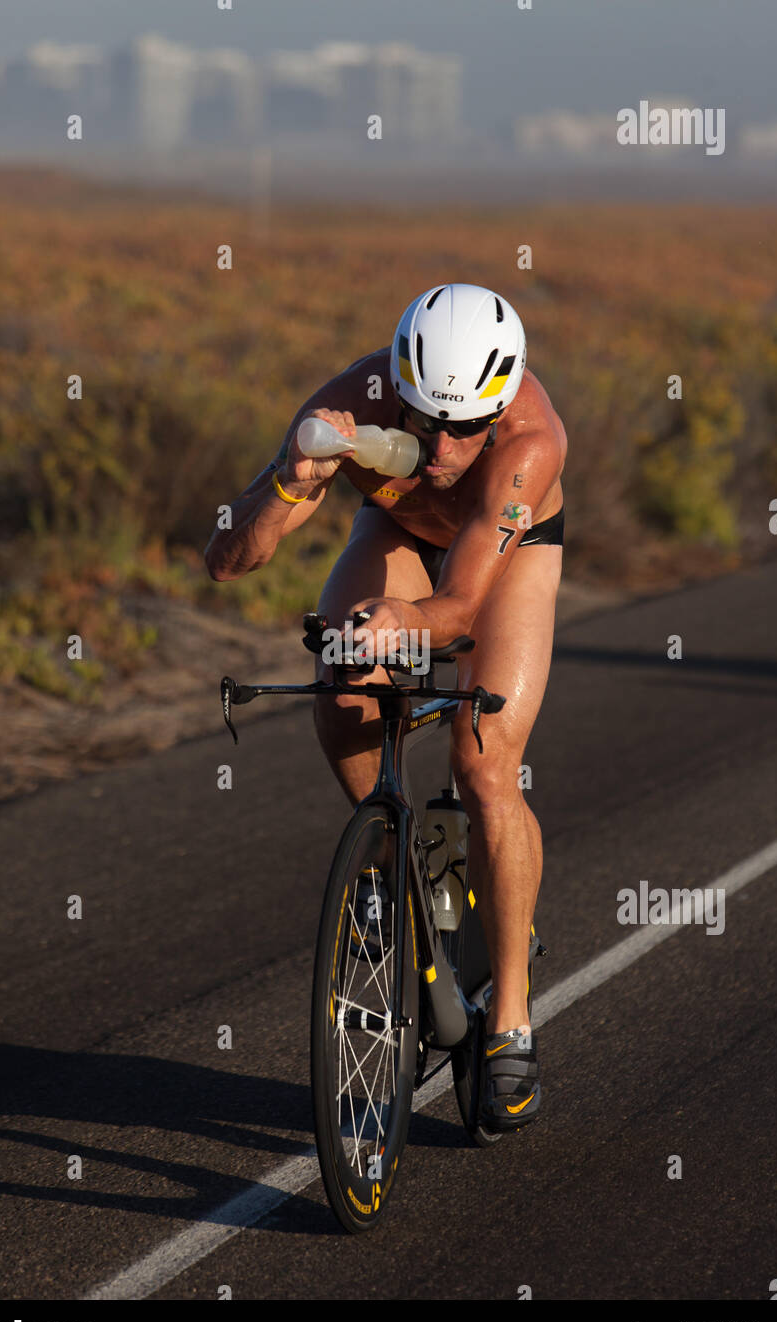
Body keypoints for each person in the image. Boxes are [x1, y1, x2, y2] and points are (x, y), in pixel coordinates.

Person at [205, 283, 567, 1130]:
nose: (440, 446)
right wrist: (291, 488)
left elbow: (466, 607)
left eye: (463, 427)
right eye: (423, 420)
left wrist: (407, 620)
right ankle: (390, 852)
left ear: (500, 404)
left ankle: (509, 1016)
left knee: (483, 763)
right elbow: (227, 559)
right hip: (401, 530)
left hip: (504, 553)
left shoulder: (527, 444)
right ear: (398, 386)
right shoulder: (354, 401)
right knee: (342, 674)